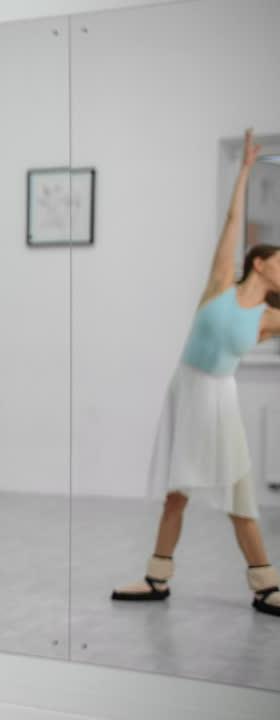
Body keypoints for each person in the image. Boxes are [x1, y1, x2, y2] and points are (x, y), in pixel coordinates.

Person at [111, 129, 280, 618]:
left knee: (239, 495)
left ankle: (266, 584)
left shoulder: (269, 319)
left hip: (219, 401)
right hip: (187, 392)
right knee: (176, 495)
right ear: (260, 262)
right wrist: (245, 170)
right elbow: (231, 221)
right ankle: (156, 578)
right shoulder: (221, 284)